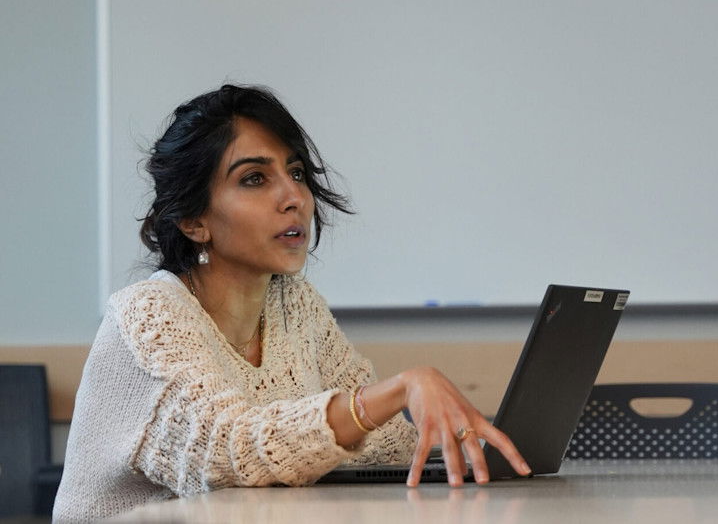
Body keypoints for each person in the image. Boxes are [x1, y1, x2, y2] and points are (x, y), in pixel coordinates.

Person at [53, 84, 530, 522]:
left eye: (296, 172)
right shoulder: (148, 313)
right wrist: (403, 388)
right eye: (255, 179)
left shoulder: (294, 306)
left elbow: (381, 448)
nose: (294, 197)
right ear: (195, 221)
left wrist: (470, 459)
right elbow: (228, 455)